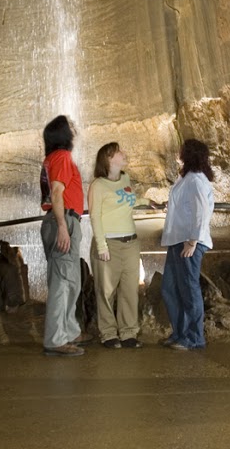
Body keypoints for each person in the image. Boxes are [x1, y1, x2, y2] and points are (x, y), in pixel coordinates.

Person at [160, 138, 215, 350]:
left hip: (188, 241)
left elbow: (202, 212)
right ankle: (180, 332)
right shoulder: (187, 178)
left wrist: (193, 240)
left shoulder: (196, 180)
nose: (178, 153)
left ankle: (194, 337)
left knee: (189, 289)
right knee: (171, 288)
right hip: (177, 240)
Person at [40, 114, 85, 356]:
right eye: (71, 126)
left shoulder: (51, 159)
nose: (75, 129)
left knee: (69, 279)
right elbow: (57, 193)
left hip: (60, 219)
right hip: (63, 219)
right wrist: (62, 227)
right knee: (62, 282)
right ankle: (56, 339)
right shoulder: (62, 157)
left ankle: (69, 331)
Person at [88, 142, 142, 348]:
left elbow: (129, 201)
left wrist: (147, 202)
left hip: (131, 242)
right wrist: (101, 246)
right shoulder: (98, 185)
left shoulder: (125, 178)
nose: (123, 153)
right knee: (106, 290)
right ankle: (108, 333)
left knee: (130, 289)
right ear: (109, 159)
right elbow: (95, 216)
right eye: (119, 152)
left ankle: (129, 332)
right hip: (109, 243)